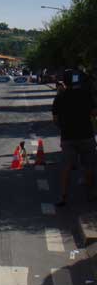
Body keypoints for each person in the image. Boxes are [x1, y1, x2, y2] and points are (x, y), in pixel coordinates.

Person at [52, 70, 97, 206]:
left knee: (66, 167)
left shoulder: (60, 97)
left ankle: (63, 196)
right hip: (86, 135)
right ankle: (90, 194)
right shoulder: (86, 95)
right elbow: (94, 113)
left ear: (65, 82)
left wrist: (63, 127)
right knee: (89, 165)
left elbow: (55, 119)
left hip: (68, 137)